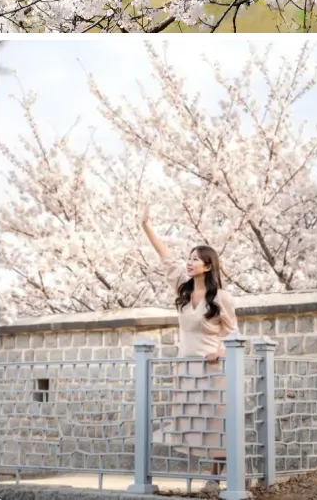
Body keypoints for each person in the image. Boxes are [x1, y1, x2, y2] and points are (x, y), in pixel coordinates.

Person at [140, 206, 238, 493]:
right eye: (189, 258)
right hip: (187, 368)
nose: (189, 262)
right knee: (193, 424)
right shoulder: (182, 291)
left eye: (195, 260)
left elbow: (235, 334)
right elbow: (165, 257)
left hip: (213, 368)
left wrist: (220, 352)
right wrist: (147, 226)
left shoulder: (222, 297)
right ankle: (218, 474)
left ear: (208, 266)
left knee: (215, 424)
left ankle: (215, 478)